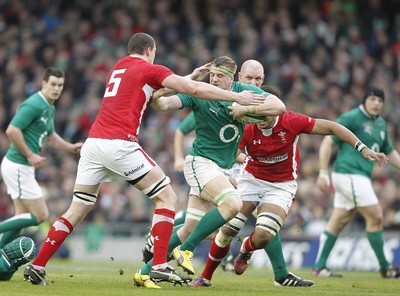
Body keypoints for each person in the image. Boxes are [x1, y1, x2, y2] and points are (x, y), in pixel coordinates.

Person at [23, 33, 264, 287]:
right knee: (167, 197)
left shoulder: (117, 68)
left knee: (77, 209)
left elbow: (158, 92)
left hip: (93, 144)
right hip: (120, 143)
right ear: (150, 50)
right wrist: (236, 97)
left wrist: (188, 77)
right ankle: (159, 265)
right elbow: (191, 90)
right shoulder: (150, 68)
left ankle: (38, 265)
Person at [189, 85, 385, 287]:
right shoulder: (248, 126)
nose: (261, 115)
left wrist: (362, 148)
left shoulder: (291, 121)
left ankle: (246, 250)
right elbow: (232, 153)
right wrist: (236, 165)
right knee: (229, 228)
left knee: (264, 235)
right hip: (250, 180)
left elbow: (332, 128)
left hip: (281, 185)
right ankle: (204, 277)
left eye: (266, 109)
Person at [134, 55, 286, 289]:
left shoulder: (243, 92)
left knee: (190, 228)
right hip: (200, 162)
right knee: (233, 204)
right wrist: (184, 80)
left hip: (221, 168)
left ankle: (145, 272)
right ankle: (185, 251)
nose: (214, 79)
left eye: (220, 76)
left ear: (232, 78)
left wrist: (249, 107)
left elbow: (279, 107)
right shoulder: (198, 92)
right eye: (212, 75)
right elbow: (161, 104)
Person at [313, 86, 400, 278]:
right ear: (364, 101)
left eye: (380, 100)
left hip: (357, 177)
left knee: (338, 220)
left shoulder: (381, 125)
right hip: (349, 173)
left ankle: (319, 267)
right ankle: (385, 267)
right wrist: (322, 171)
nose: (376, 103)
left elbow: (390, 153)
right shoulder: (351, 118)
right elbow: (328, 142)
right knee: (376, 215)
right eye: (372, 99)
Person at [0, 67, 83, 250]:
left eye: (60, 85)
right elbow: (12, 130)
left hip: (20, 167)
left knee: (20, 219)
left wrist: (70, 148)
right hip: (18, 165)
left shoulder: (49, 106)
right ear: (44, 83)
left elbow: (50, 137)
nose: (56, 88)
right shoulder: (34, 104)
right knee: (41, 215)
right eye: (53, 84)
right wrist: (30, 154)